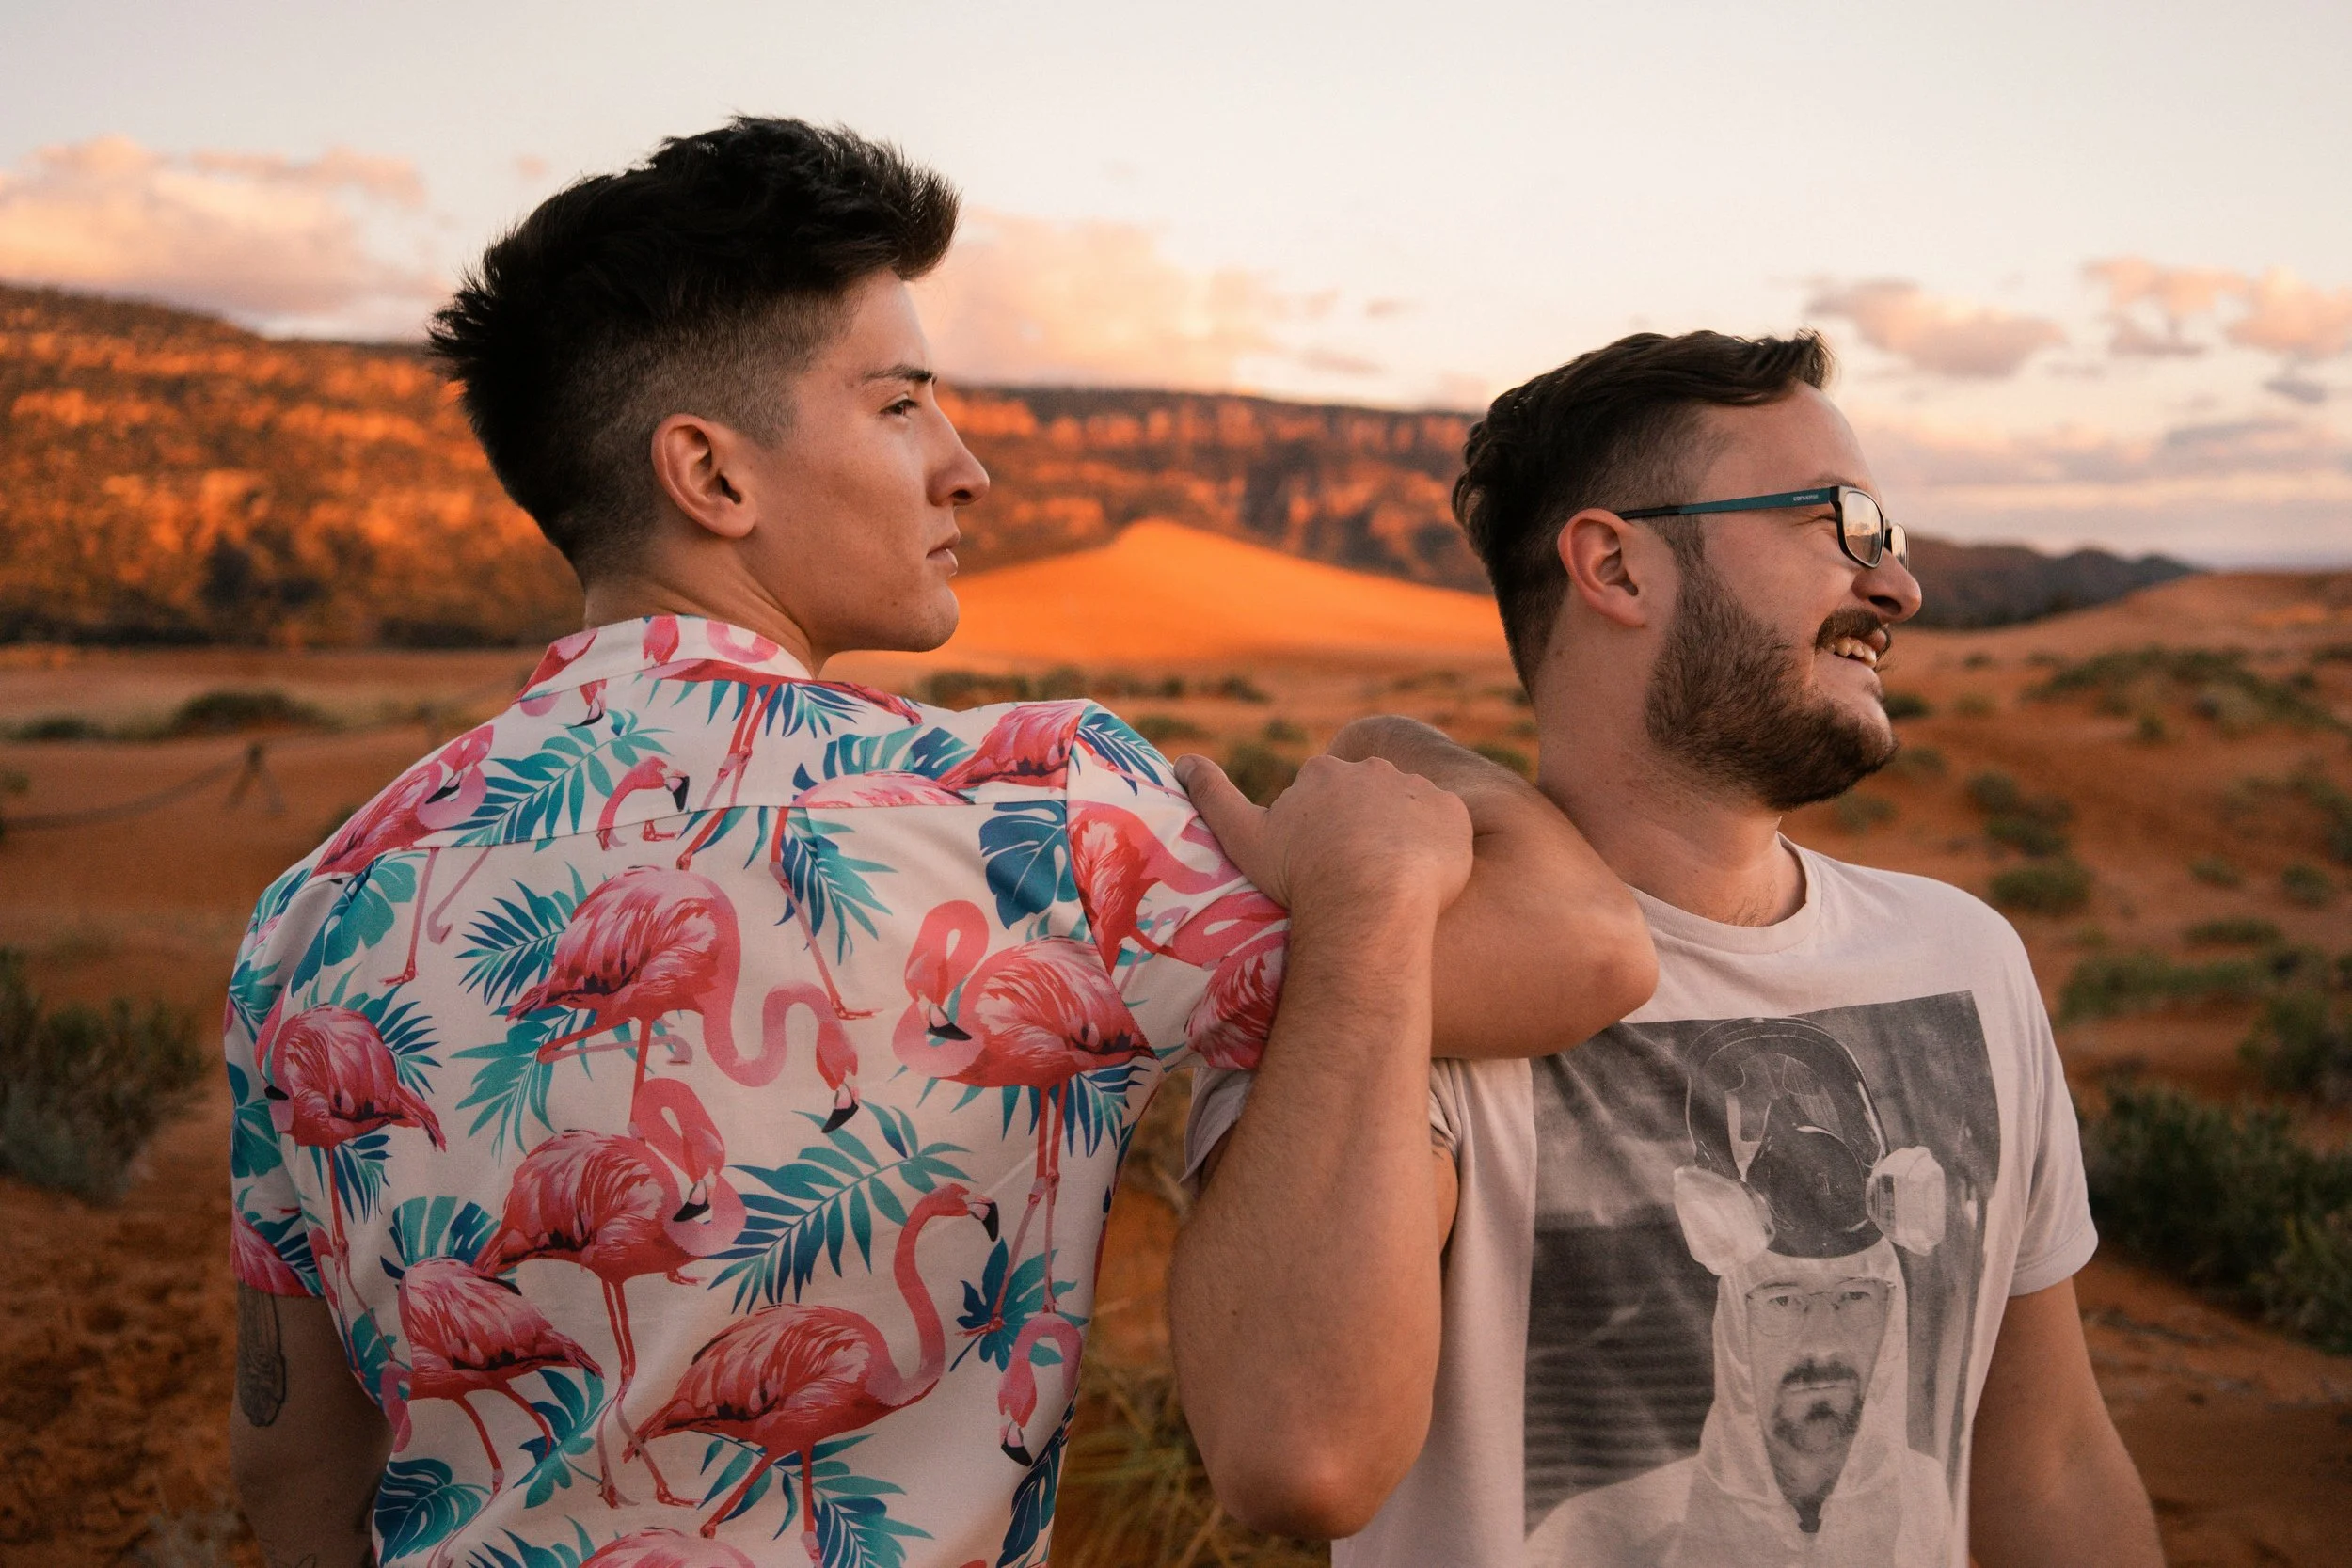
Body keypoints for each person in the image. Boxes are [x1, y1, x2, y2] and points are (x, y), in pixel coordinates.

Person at [221, 119, 1655, 1568]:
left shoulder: (311, 911)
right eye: (902, 403)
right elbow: (1585, 948)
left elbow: (294, 1475)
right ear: (713, 478)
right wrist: (1397, 779)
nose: (963, 466)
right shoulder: (1042, 813)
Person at [1172, 330, 2164, 1567]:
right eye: (1840, 522)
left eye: (1891, 535)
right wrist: (1369, 909)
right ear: (1617, 567)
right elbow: (1300, 1456)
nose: (1897, 585)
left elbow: (2052, 1463)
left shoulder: (1967, 959)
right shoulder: (1391, 971)